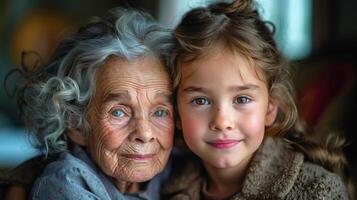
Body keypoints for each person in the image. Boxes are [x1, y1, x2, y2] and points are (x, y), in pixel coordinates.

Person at [161, 1, 352, 199]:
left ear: (270, 108)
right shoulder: (162, 185)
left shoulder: (316, 190)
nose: (222, 122)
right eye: (200, 101)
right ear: (176, 113)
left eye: (242, 99)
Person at [7, 7, 174, 199]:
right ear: (76, 124)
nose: (145, 133)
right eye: (118, 112)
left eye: (160, 112)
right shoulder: (65, 185)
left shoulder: (178, 168)